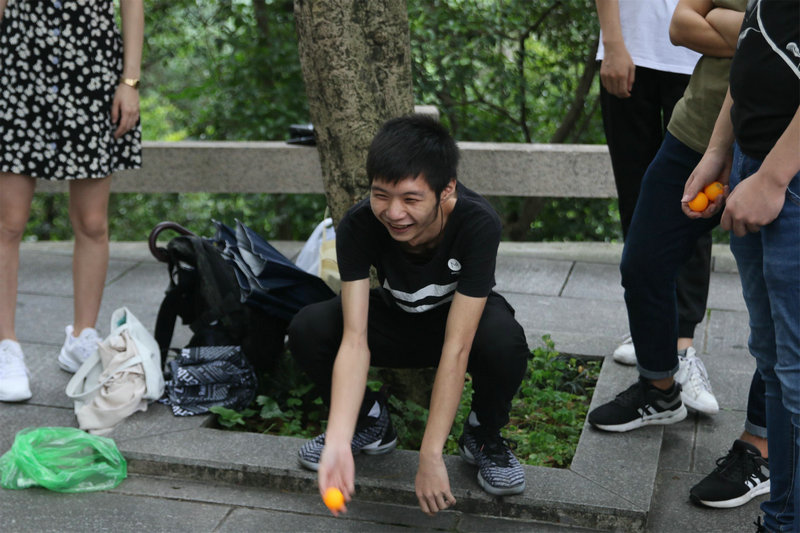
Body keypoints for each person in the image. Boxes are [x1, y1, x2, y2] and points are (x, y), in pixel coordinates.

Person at [288, 114, 530, 516]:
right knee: (309, 327)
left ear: (446, 189)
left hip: (457, 326)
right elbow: (354, 340)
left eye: (411, 199)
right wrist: (338, 440)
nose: (393, 212)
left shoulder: (477, 222)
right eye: (381, 195)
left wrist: (430, 455)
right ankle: (368, 421)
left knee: (505, 340)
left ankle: (483, 434)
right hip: (395, 319)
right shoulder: (359, 224)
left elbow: (458, 347)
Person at [590, 0, 771, 509]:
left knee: (777, 309)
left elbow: (769, 39)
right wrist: (756, 35)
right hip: (696, 129)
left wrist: (731, 27)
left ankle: (762, 446)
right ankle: (659, 387)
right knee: (643, 262)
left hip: (776, 148)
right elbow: (681, 25)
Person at [682, 0, 798, 529]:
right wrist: (719, 148)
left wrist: (772, 178)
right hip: (756, 156)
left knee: (795, 370)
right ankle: (780, 517)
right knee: (773, 361)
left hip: (788, 173)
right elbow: (759, 36)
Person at [0, 0, 144, 402]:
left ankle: (82, 338)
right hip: (19, 67)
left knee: (93, 222)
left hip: (93, 72)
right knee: (8, 222)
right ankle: (5, 345)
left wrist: (129, 82)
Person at [595, 0, 716, 399]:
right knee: (637, 200)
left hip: (700, 55)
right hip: (630, 47)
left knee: (694, 203)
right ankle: (647, 326)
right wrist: (613, 42)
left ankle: (683, 344)